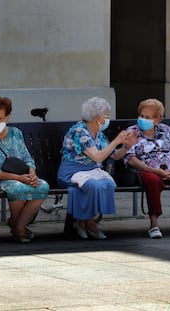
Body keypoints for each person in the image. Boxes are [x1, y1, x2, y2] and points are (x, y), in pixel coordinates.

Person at [57, 97, 137, 239]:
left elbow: (115, 156)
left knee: (107, 183)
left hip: (91, 171)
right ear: (97, 118)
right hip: (71, 172)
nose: (108, 119)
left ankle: (82, 222)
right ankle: (89, 222)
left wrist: (126, 146)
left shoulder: (99, 134)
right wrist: (117, 140)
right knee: (92, 185)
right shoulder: (79, 131)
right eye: (106, 116)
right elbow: (98, 157)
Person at [0, 97, 49, 243]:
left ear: (7, 117)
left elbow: (28, 159)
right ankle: (18, 227)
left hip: (22, 177)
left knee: (42, 185)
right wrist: (19, 178)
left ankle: (18, 226)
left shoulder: (15, 133)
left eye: (1, 118)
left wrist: (32, 175)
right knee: (17, 188)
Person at [124, 98, 170, 239]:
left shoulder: (166, 130)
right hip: (146, 169)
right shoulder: (132, 132)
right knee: (152, 180)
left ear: (158, 119)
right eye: (141, 116)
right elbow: (130, 159)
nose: (142, 119)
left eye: (147, 117)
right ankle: (154, 223)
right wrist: (152, 170)